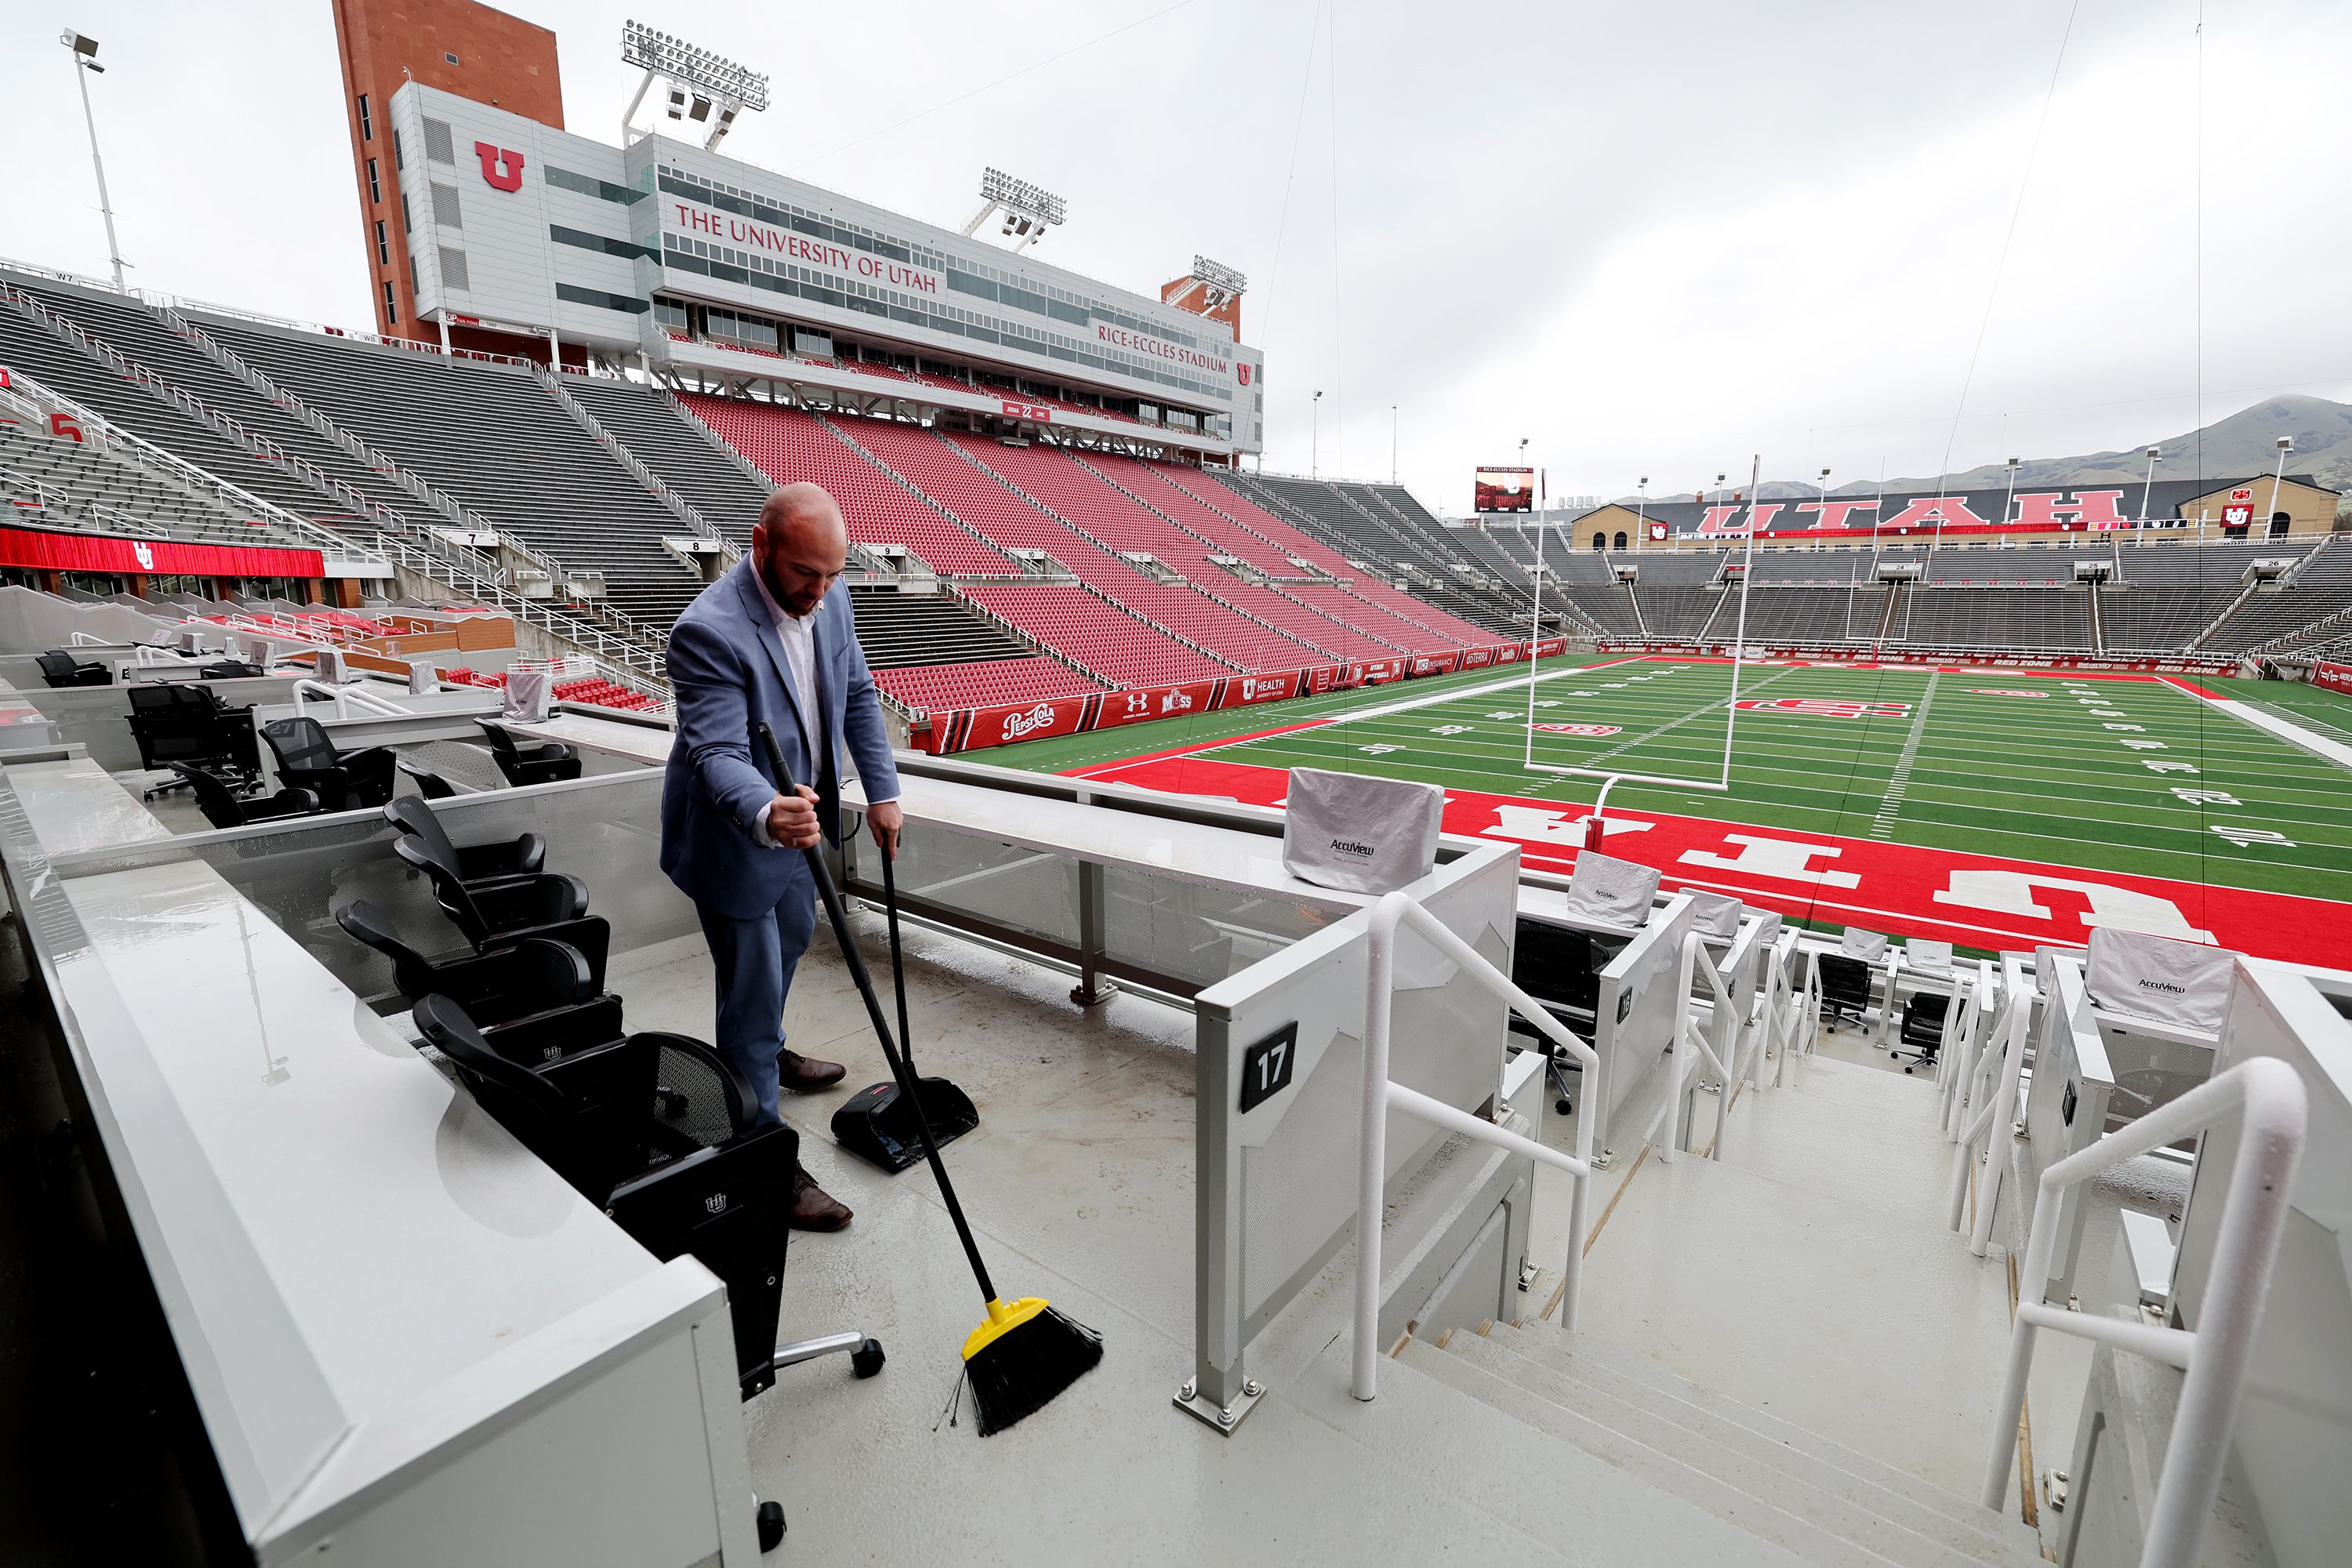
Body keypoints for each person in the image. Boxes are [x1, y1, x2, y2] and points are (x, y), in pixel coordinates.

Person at [659, 482, 904, 1231]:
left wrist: (883, 790)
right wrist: (767, 809)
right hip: (741, 838)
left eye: (833, 575)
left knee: (792, 942)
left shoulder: (829, 600)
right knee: (753, 991)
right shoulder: (708, 631)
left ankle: (768, 1051)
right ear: (761, 547)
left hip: (806, 830)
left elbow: (858, 694)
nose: (820, 591)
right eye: (805, 574)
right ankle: (762, 1149)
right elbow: (718, 754)